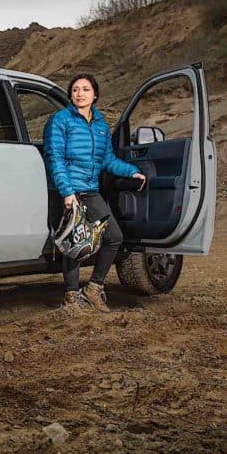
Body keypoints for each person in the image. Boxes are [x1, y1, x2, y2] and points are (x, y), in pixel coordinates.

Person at [43, 73, 146, 313]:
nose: (80, 93)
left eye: (85, 89)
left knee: (114, 237)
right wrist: (67, 192)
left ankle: (94, 287)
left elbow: (107, 159)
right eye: (75, 89)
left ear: (95, 95)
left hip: (90, 191)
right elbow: (54, 157)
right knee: (74, 242)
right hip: (67, 190)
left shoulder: (100, 125)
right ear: (71, 95)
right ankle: (71, 295)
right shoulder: (60, 120)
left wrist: (131, 172)